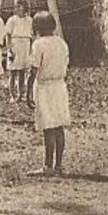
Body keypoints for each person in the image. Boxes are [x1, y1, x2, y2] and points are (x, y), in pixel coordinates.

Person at [28, 11, 70, 176]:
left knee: (48, 127)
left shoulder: (39, 44)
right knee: (58, 126)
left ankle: (47, 166)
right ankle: (58, 165)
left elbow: (34, 70)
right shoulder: (61, 43)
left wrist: (28, 92)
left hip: (45, 87)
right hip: (59, 86)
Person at [4, 0, 35, 106]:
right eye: (15, 6)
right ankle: (12, 95)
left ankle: (21, 94)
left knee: (22, 71)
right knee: (13, 72)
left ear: (24, 7)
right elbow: (7, 35)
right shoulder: (12, 20)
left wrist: (31, 49)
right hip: (15, 43)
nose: (16, 9)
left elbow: (32, 36)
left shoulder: (30, 20)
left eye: (19, 6)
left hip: (25, 44)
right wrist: (9, 49)